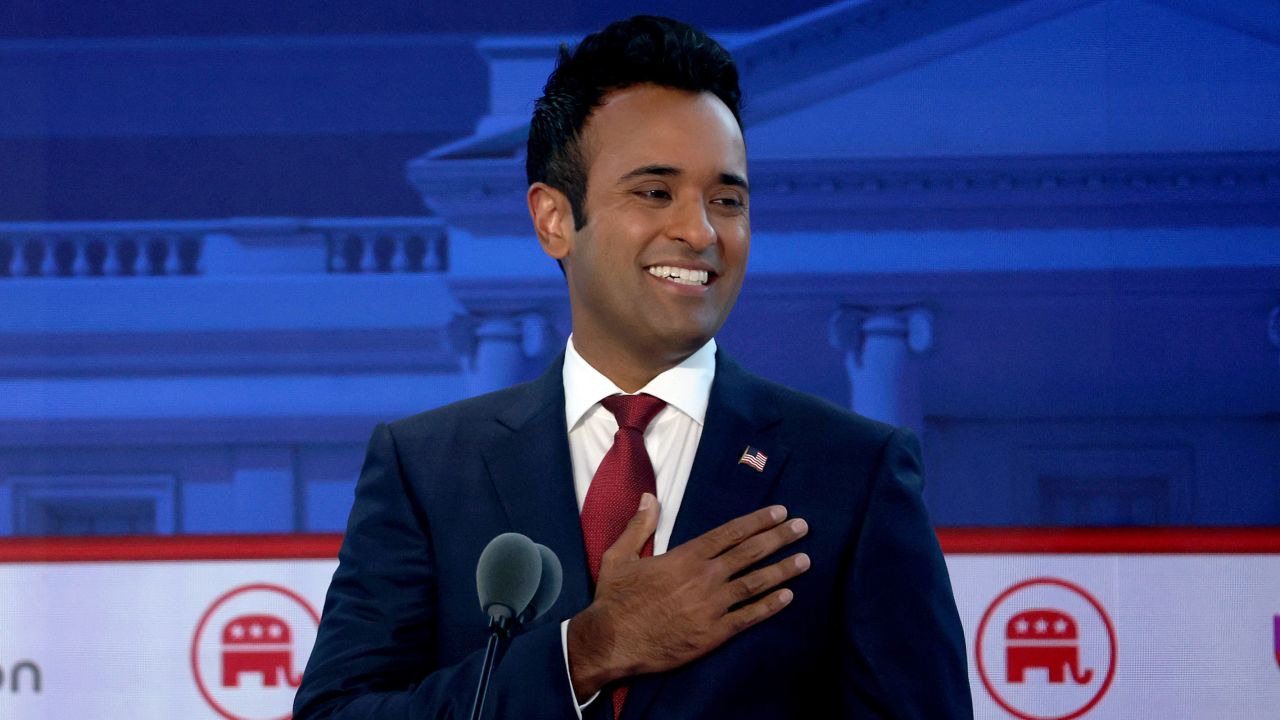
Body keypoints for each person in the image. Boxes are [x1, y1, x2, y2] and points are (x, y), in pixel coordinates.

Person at [294, 15, 971, 720]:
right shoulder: (427, 470)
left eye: (728, 200)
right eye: (656, 192)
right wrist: (588, 649)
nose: (701, 231)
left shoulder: (854, 472)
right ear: (554, 218)